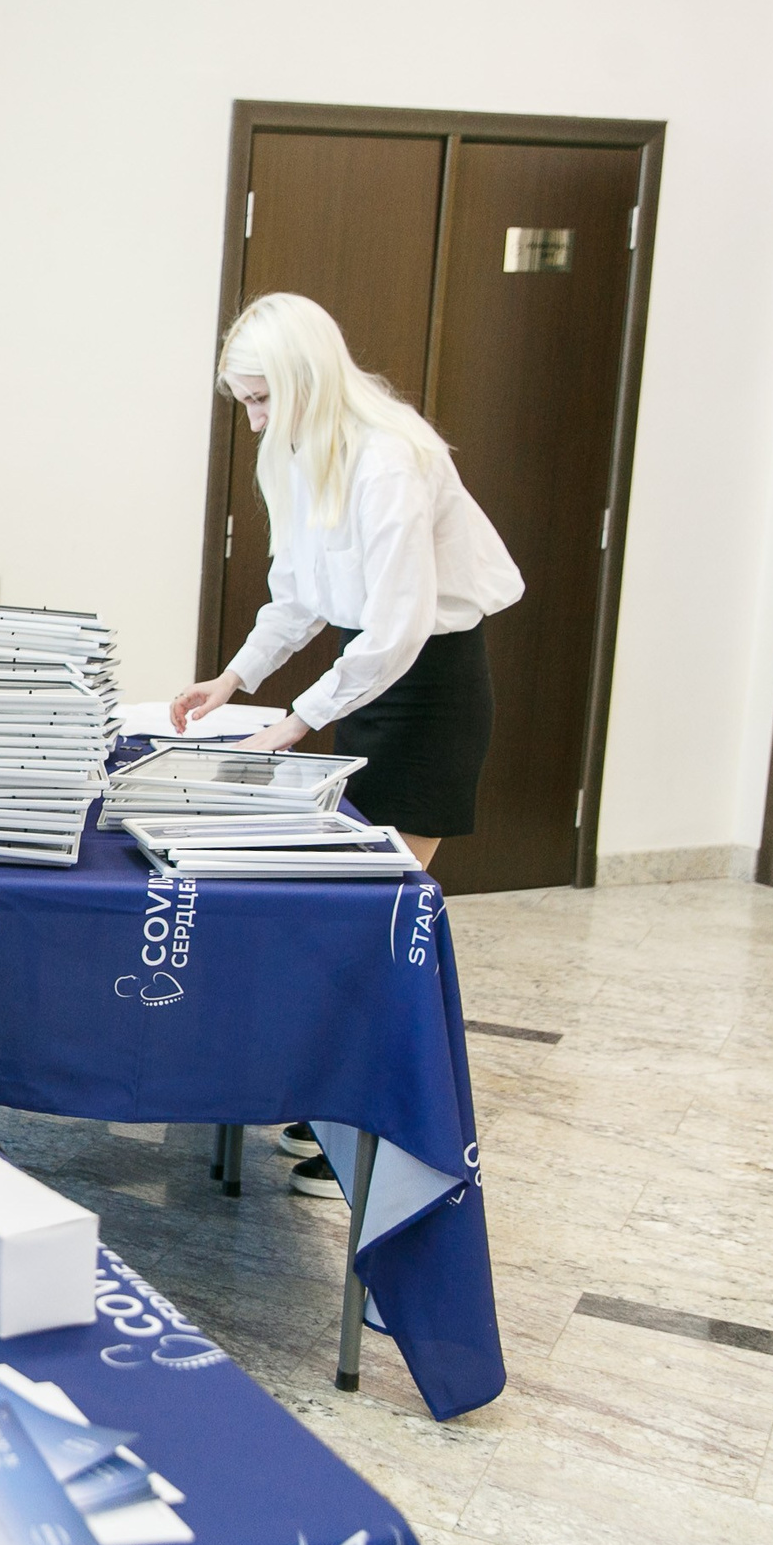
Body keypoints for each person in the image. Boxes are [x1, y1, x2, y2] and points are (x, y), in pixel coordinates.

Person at [171, 292, 523, 1199]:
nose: (253, 421)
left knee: (378, 925)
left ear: (304, 381)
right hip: (368, 675)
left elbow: (399, 628)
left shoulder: (392, 457)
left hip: (429, 687)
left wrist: (298, 719)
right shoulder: (298, 451)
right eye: (244, 402)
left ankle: (367, 1133)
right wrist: (234, 679)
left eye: (261, 400)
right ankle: (330, 1108)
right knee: (346, 916)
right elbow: (297, 593)